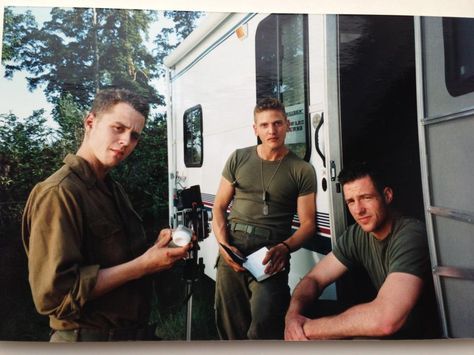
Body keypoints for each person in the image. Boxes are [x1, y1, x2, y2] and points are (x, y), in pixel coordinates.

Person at [22, 88, 191, 342]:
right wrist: (143, 265)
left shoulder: (111, 188)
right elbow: (54, 296)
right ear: (90, 122)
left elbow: (119, 259)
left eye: (134, 135)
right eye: (118, 128)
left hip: (128, 335)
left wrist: (156, 250)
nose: (126, 141)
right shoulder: (59, 192)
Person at [284, 162, 440, 340]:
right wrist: (293, 316)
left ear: (387, 196)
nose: (358, 210)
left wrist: (306, 329)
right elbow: (315, 279)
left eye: (366, 197)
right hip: (391, 330)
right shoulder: (356, 234)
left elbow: (385, 321)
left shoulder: (411, 234)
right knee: (306, 309)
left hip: (419, 338)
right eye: (351, 201)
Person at [212, 97, 317, 340]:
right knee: (230, 324)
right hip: (233, 243)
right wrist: (224, 244)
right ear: (255, 129)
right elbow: (219, 206)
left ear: (288, 125)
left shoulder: (301, 169)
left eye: (278, 123)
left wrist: (284, 247)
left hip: (271, 252)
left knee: (265, 323)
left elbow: (309, 223)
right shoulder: (238, 158)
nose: (272, 130)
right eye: (265, 125)